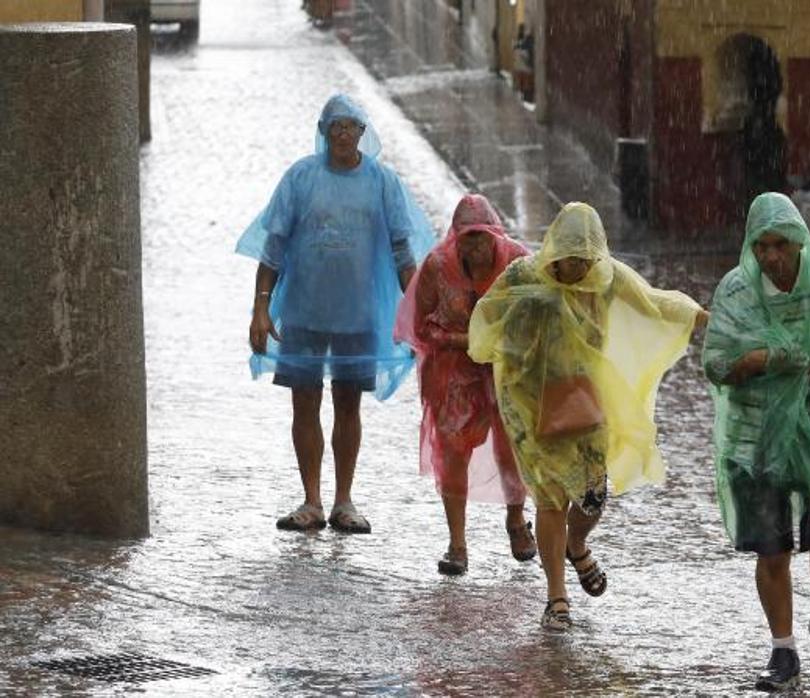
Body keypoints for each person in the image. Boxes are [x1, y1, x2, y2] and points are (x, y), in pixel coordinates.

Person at [467, 202, 707, 631]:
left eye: (582, 259)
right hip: (530, 403)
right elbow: (488, 313)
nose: (573, 268)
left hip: (586, 403)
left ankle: (576, 543)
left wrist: (703, 318)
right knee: (550, 498)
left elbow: (654, 303)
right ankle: (556, 598)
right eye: (565, 258)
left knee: (593, 496)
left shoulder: (608, 277)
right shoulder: (525, 275)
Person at [702, 193, 810, 691]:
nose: (771, 256)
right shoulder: (736, 291)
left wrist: (785, 358)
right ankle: (783, 651)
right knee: (772, 549)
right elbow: (716, 362)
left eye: (780, 244)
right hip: (755, 435)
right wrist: (756, 362)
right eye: (762, 245)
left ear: (800, 241)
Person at [237, 94, 435, 533]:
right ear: (324, 132)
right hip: (304, 312)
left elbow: (403, 252)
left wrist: (419, 312)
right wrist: (260, 307)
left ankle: (344, 499)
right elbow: (274, 247)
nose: (343, 134)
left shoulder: (383, 182)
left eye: (351, 127)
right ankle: (311, 499)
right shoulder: (300, 178)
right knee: (304, 401)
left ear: (363, 133)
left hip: (359, 315)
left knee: (348, 403)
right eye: (335, 127)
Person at [394, 194, 535, 575]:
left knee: (514, 449)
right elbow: (422, 324)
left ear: (495, 234)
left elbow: (535, 318)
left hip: (507, 370)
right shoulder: (438, 267)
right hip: (453, 373)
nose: (475, 245)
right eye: (467, 237)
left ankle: (517, 520)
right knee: (453, 453)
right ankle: (457, 543)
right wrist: (463, 342)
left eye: (482, 236)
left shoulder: (519, 264)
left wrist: (498, 345)